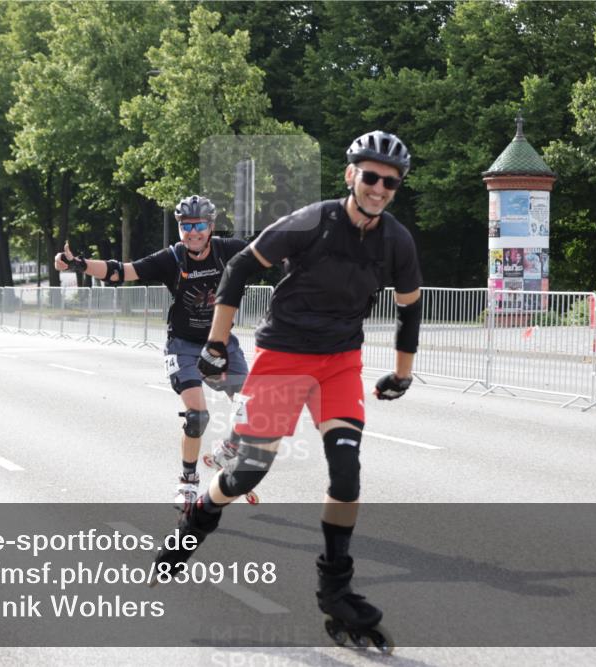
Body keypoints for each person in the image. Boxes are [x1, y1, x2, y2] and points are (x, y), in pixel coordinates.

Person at [152, 131, 423, 653]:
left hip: (340, 365)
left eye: (390, 182)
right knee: (247, 474)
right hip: (283, 360)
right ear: (351, 175)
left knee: (347, 473)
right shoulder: (313, 221)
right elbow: (238, 268)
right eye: (370, 176)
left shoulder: (396, 240)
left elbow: (410, 307)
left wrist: (402, 372)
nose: (379, 188)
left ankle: (336, 591)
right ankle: (196, 522)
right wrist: (213, 346)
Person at [55, 195, 251, 509]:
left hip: (221, 341)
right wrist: (79, 264)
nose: (193, 233)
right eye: (186, 227)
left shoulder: (229, 251)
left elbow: (272, 251)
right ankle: (188, 481)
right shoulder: (172, 258)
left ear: (211, 227)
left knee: (251, 407)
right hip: (184, 345)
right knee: (197, 416)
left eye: (199, 226)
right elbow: (122, 271)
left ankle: (228, 450)